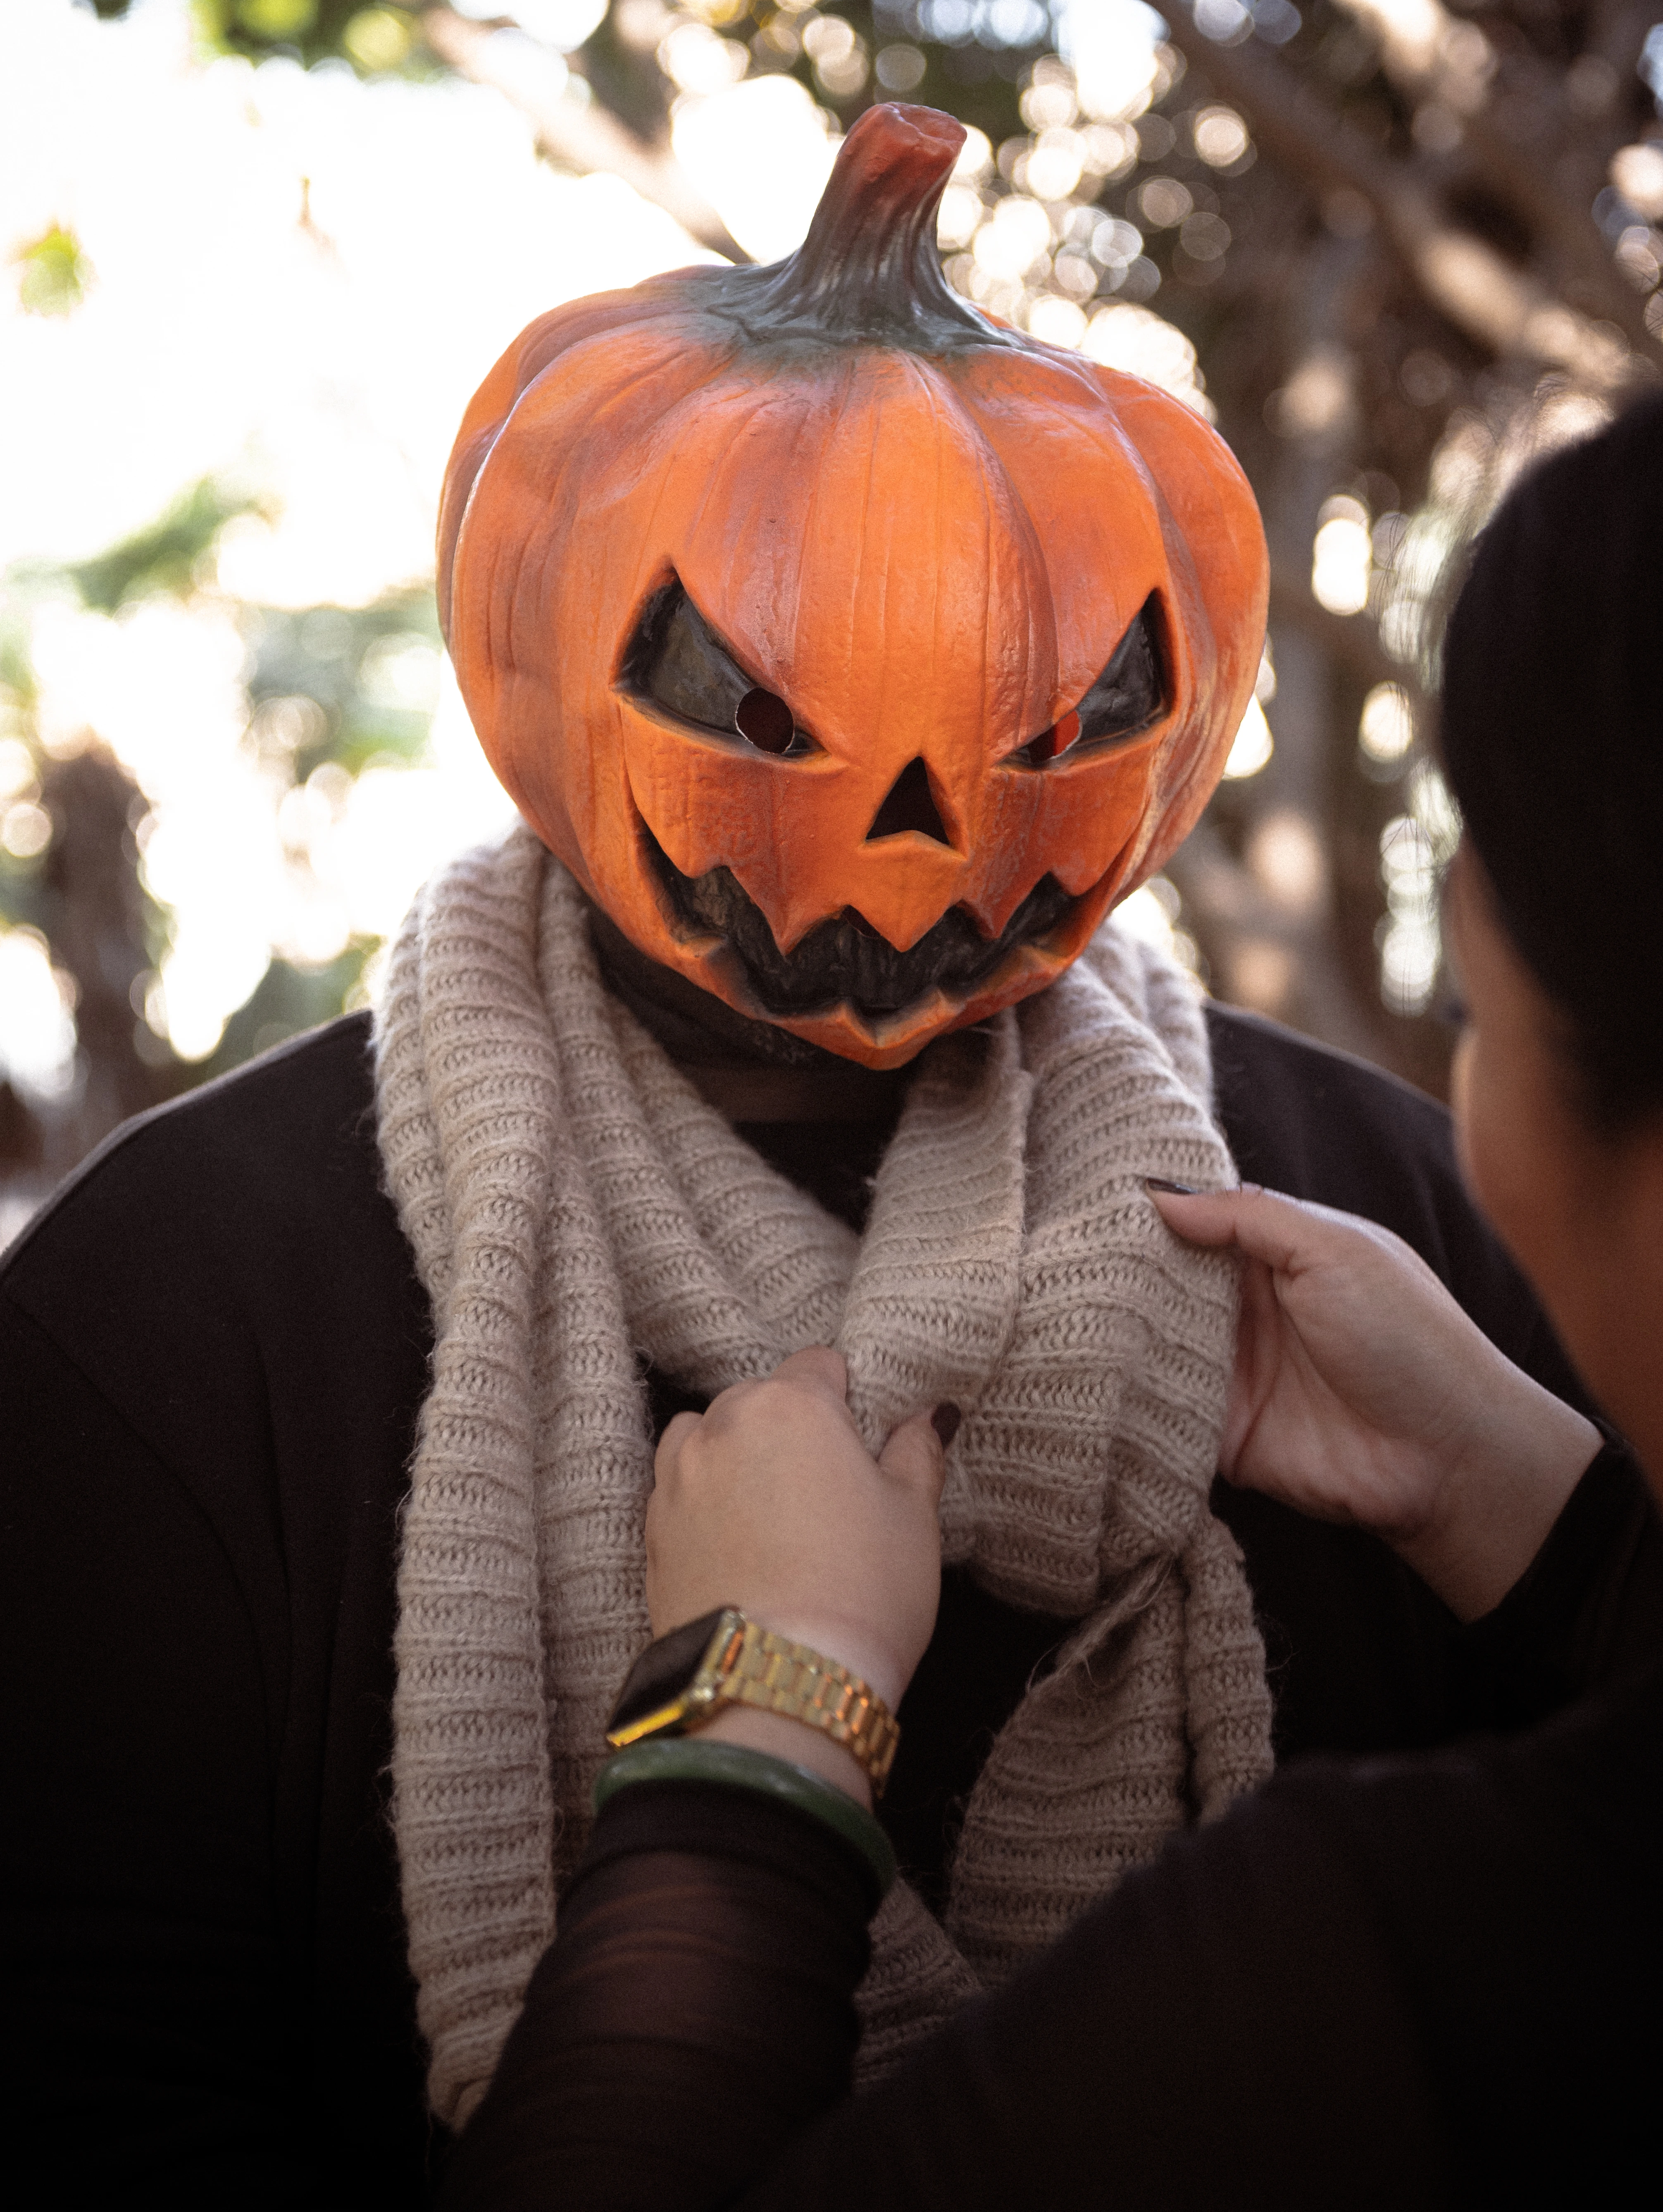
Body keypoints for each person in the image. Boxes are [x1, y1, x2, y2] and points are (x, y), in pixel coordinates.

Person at [0, 115, 1634, 2201]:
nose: (917, 837)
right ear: (533, 636)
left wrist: (1544, 1518)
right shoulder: (169, 1318)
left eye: (1065, 714)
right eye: (750, 702)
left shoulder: (1389, 1239)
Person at [433, 393, 1663, 2205]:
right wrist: (1554, 1526)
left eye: (1474, 1015)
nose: (922, 833)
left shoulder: (1384, 1984)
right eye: (754, 705)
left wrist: (758, 1718)